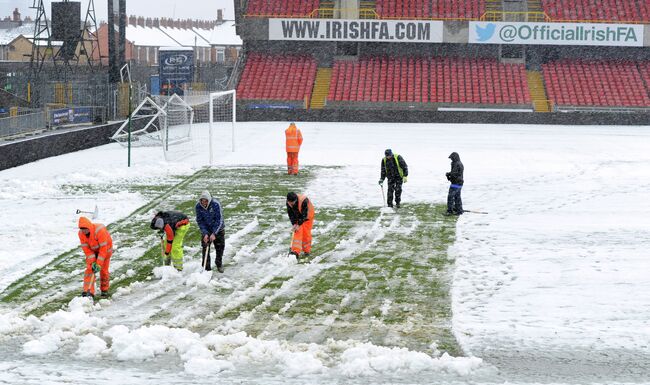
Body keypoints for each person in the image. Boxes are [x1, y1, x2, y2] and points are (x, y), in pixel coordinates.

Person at [78, 216, 113, 299]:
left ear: (89, 227)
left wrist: (98, 264)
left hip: (106, 250)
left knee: (103, 270)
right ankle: (88, 291)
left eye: (85, 229)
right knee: (89, 270)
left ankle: (104, 290)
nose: (84, 231)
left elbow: (103, 249)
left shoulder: (99, 230)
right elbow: (87, 250)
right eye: (82, 229)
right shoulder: (81, 234)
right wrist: (93, 262)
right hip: (93, 251)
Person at [195, 190, 225, 273]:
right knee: (205, 249)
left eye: (205, 201)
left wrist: (214, 233)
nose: (204, 203)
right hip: (207, 230)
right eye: (202, 201)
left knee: (219, 248)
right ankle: (206, 268)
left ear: (209, 200)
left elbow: (219, 220)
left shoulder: (215, 204)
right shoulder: (198, 206)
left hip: (218, 229)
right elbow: (200, 221)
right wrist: (205, 233)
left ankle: (219, 264)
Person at [286, 192, 315, 260]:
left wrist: (299, 224)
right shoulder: (288, 202)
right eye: (290, 203)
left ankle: (306, 251)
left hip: (308, 217)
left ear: (296, 200)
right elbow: (290, 214)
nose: (291, 204)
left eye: (293, 202)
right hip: (298, 215)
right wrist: (294, 224)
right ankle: (295, 252)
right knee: (297, 231)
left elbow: (304, 215)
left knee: (306, 234)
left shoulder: (304, 201)